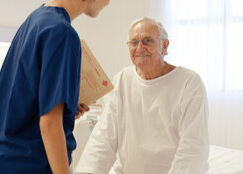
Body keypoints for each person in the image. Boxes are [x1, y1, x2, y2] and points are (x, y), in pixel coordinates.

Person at [0, 0, 120, 174]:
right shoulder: (62, 33)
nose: (108, 3)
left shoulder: (35, 19)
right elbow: (49, 126)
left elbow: (22, 94)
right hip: (27, 164)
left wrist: (66, 108)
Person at [75, 17, 209, 174]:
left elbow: (193, 147)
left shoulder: (189, 83)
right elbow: (103, 137)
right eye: (134, 42)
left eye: (147, 41)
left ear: (164, 46)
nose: (140, 48)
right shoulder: (122, 79)